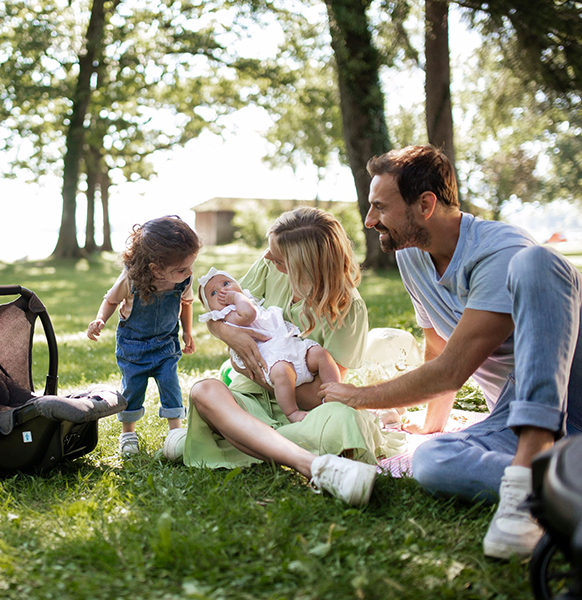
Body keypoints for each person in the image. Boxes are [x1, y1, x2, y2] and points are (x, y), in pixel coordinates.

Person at [318, 145, 582, 558]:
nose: (369, 220)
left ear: (425, 205)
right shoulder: (412, 255)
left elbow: (451, 370)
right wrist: (433, 425)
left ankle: (526, 479)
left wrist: (357, 396)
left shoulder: (500, 250)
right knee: (432, 460)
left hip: (570, 385)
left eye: (380, 207)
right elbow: (438, 345)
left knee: (537, 262)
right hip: (515, 412)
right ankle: (560, 480)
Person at [163, 207, 406, 507]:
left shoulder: (348, 308)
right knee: (204, 391)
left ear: (305, 265)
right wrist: (227, 333)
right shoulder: (270, 267)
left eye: (278, 258)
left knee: (344, 418)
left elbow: (323, 395)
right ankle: (312, 462)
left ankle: (242, 440)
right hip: (250, 401)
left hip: (304, 413)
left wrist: (268, 378)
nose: (267, 257)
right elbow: (218, 309)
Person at [87, 215, 201, 456]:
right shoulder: (131, 279)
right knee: (133, 389)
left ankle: (176, 433)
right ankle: (128, 433)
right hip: (133, 347)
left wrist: (188, 332)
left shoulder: (183, 280)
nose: (189, 272)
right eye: (182, 269)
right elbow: (111, 300)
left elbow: (186, 303)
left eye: (190, 266)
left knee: (171, 386)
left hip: (166, 344)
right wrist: (100, 319)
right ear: (155, 269)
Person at [197, 267, 341, 423]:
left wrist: (240, 297)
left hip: (290, 345)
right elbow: (248, 315)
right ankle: (292, 412)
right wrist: (236, 297)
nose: (223, 291)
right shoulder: (228, 314)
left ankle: (336, 395)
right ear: (210, 309)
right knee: (283, 374)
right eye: (213, 293)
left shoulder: (248, 299)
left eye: (226, 283)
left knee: (321, 354)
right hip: (272, 357)